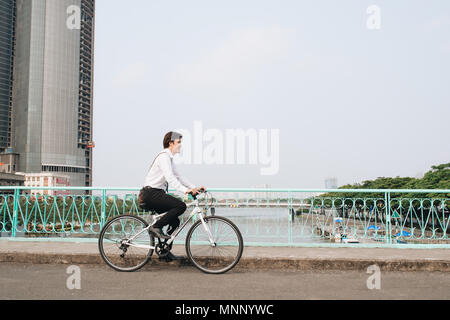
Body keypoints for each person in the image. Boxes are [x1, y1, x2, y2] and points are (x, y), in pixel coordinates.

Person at [140, 131, 206, 261]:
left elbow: (179, 176)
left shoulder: (169, 158)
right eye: (178, 142)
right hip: (150, 193)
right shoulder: (164, 156)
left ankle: (165, 252)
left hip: (156, 193)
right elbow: (170, 178)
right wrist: (185, 191)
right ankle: (156, 227)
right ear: (171, 143)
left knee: (175, 221)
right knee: (180, 206)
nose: (180, 145)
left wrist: (193, 188)